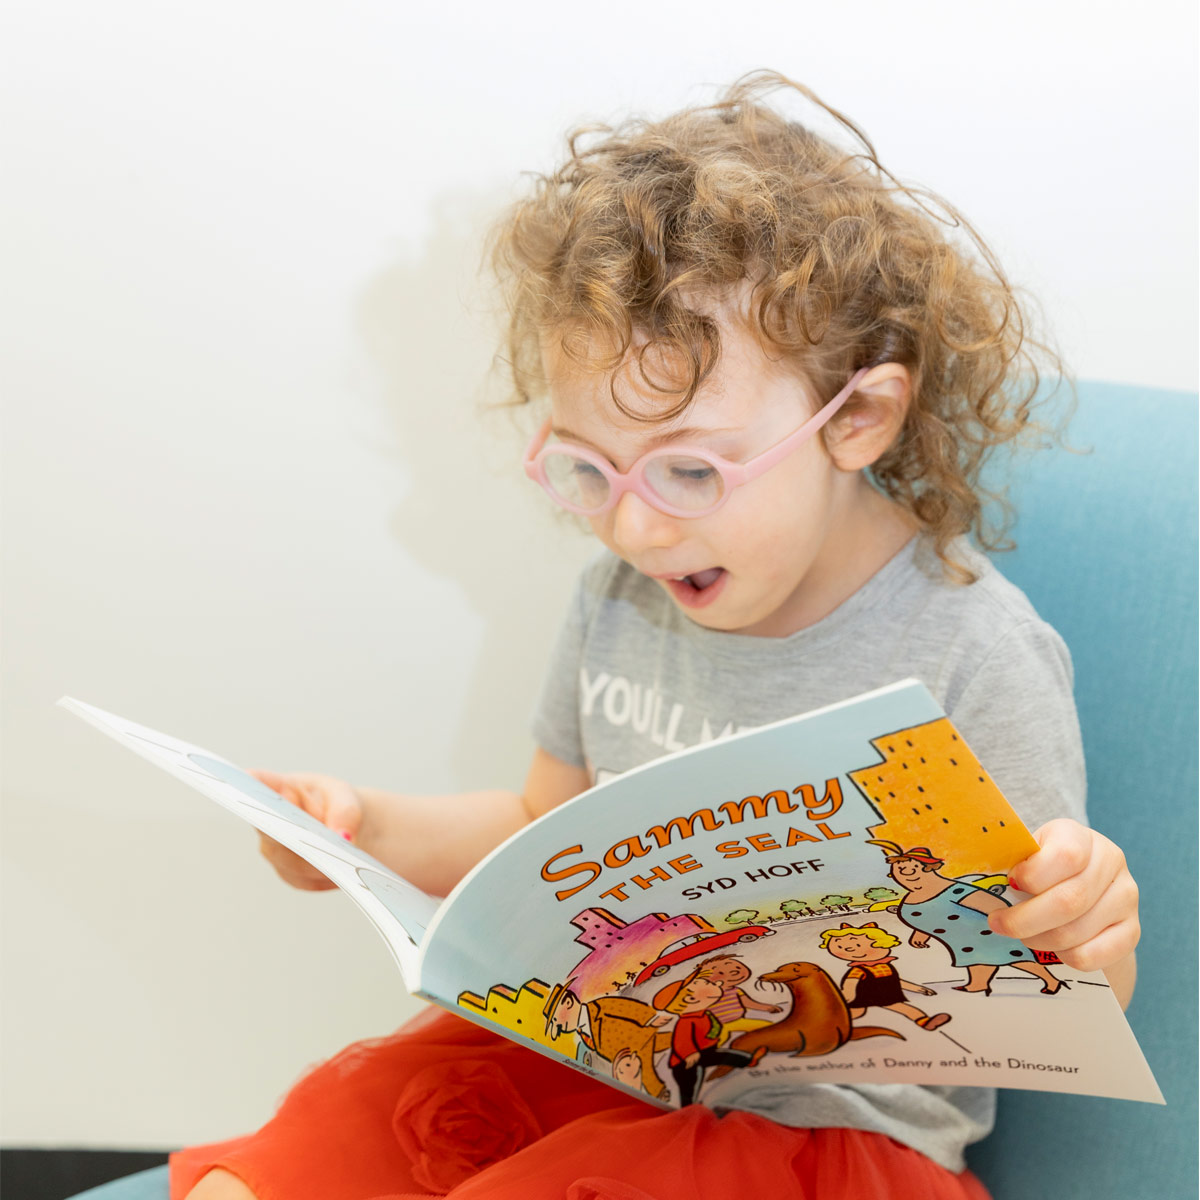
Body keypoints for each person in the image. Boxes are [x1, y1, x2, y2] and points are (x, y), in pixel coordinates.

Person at [78, 70, 1140, 1200]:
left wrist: (1092, 930)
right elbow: (542, 825)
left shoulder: (973, 651)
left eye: (690, 468)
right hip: (613, 1066)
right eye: (590, 467)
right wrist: (364, 830)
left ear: (860, 419)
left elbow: (1057, 986)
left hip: (829, 1147)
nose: (633, 523)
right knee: (344, 1121)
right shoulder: (620, 601)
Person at [867, 841, 1068, 995]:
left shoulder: (954, 889)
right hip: (963, 940)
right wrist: (921, 933)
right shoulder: (912, 899)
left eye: (914, 869)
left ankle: (1052, 981)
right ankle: (978, 984)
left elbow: (994, 905)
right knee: (976, 959)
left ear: (929, 868)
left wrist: (1006, 922)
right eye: (901, 870)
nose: (907, 874)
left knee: (1015, 958)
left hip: (989, 933)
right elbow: (931, 916)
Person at [652, 975, 767, 1105]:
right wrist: (690, 1054)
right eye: (707, 983)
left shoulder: (704, 1014)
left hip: (705, 1051)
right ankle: (688, 1106)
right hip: (685, 1062)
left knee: (724, 1056)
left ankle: (748, 1060)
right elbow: (682, 1041)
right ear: (690, 999)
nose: (716, 983)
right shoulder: (687, 1021)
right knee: (690, 1084)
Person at [819, 922, 951, 1030]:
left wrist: (918, 989)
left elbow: (895, 981)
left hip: (884, 995)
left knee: (903, 1008)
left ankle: (925, 1022)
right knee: (856, 1013)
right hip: (862, 996)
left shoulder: (885, 966)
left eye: (857, 945)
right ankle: (831, 1026)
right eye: (841, 947)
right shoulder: (858, 970)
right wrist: (845, 998)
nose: (848, 949)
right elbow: (850, 986)